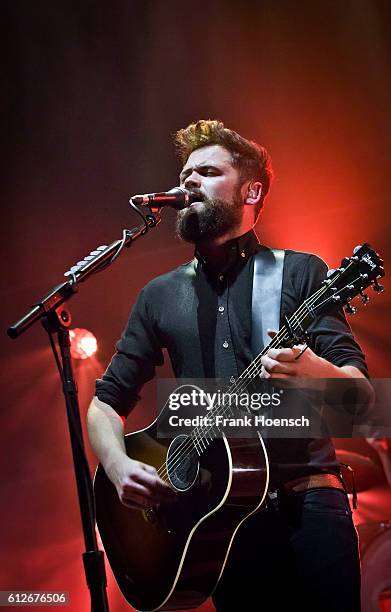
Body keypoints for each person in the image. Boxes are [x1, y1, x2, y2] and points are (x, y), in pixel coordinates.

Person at [87, 119, 372, 611]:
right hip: (216, 525)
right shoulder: (160, 295)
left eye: (208, 171)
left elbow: (364, 401)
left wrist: (315, 375)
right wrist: (116, 466)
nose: (189, 182)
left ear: (251, 190)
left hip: (306, 507)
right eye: (186, 174)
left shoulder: (300, 271)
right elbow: (105, 404)